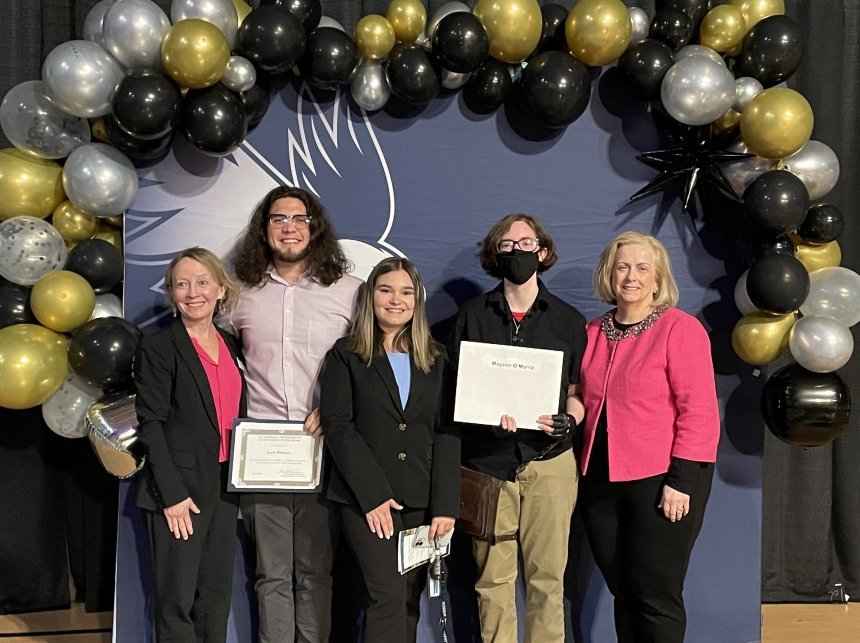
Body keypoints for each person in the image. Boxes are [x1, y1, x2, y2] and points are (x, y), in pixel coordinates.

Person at [222, 186, 361, 643]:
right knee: (272, 575)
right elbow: (215, 363)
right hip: (261, 455)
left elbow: (368, 367)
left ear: (314, 227)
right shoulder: (237, 294)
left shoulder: (348, 292)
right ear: (264, 231)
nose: (289, 228)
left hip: (324, 448)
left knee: (316, 573)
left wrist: (337, 408)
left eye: (299, 219)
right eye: (278, 219)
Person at [446, 213, 587, 643]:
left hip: (550, 462)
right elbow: (455, 393)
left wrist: (570, 419)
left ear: (542, 252)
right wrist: (484, 414)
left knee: (548, 579)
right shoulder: (471, 316)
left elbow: (578, 393)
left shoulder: (567, 320)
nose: (517, 251)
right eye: (506, 245)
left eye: (526, 244)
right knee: (492, 580)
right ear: (494, 254)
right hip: (488, 463)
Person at [578, 231, 720, 643]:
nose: (631, 276)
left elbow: (700, 411)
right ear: (609, 273)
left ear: (658, 280)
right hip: (600, 481)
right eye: (622, 266)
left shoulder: (680, 329)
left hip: (661, 480)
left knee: (655, 594)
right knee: (625, 591)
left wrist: (681, 482)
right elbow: (578, 397)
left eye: (643, 268)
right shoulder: (591, 331)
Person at [319, 257, 460, 642]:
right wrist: (373, 495)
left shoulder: (437, 358)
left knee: (409, 600)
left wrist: (445, 503)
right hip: (366, 501)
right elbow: (338, 426)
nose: (395, 300)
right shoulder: (346, 355)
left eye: (406, 292)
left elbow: (446, 432)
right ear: (370, 297)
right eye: (385, 290)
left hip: (420, 498)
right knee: (387, 596)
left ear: (417, 301)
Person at [134, 247, 246, 642]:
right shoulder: (159, 348)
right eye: (181, 284)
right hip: (179, 491)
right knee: (176, 603)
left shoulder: (233, 346)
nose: (192, 292)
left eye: (202, 282)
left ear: (220, 289)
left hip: (223, 487)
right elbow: (151, 424)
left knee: (214, 599)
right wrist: (172, 495)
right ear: (171, 293)